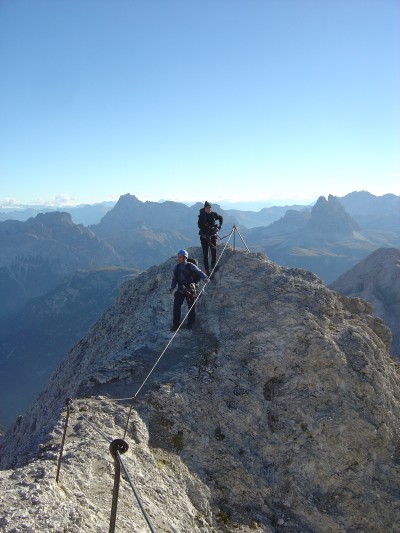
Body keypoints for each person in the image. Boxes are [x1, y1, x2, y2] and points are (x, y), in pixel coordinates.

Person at [169, 249, 209, 331]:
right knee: (176, 307)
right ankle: (175, 325)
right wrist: (172, 287)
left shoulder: (190, 266)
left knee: (191, 307)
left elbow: (199, 272)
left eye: (180, 257)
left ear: (185, 257)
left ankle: (190, 323)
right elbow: (175, 278)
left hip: (190, 289)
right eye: (178, 257)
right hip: (181, 288)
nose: (179, 258)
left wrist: (205, 278)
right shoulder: (177, 267)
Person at [198, 201, 223, 275]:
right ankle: (207, 270)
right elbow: (200, 226)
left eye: (209, 207)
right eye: (207, 207)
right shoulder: (202, 216)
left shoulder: (214, 214)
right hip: (204, 237)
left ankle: (213, 266)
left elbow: (220, 217)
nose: (208, 209)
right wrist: (209, 230)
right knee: (206, 254)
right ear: (204, 208)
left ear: (211, 208)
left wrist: (220, 225)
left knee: (213, 251)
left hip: (212, 236)